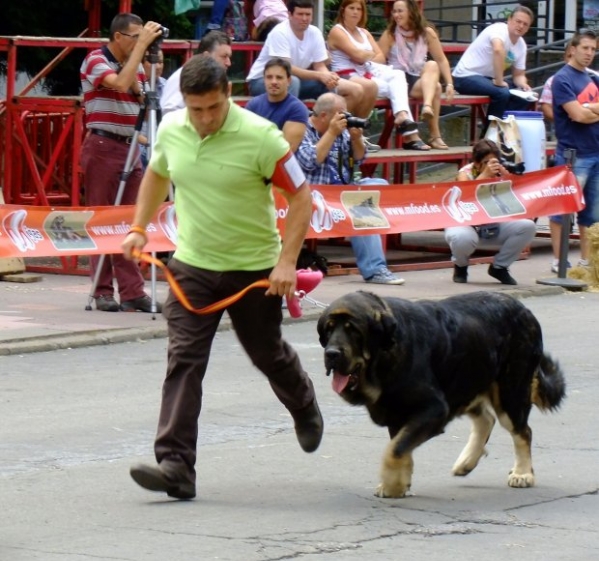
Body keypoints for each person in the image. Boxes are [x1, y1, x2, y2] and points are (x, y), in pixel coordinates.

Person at [123, 56, 323, 500]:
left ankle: (303, 402)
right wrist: (139, 227)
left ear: (227, 97)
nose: (205, 119)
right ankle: (175, 467)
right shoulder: (173, 130)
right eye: (196, 110)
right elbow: (156, 174)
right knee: (184, 359)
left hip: (254, 268)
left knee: (266, 352)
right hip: (193, 266)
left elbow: (302, 197)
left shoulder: (261, 138)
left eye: (213, 108)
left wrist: (287, 261)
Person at [80, 13, 164, 313]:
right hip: (102, 144)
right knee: (101, 219)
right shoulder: (94, 59)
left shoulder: (138, 66)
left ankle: (132, 291)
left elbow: (141, 97)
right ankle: (102, 291)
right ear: (118, 37)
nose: (140, 41)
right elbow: (119, 83)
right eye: (135, 36)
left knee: (132, 221)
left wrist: (147, 63)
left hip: (130, 147)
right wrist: (140, 52)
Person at [295, 92, 405, 285]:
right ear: (323, 116)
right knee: (360, 204)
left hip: (343, 188)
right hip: (314, 194)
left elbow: (360, 158)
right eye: (341, 114)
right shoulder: (302, 128)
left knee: (378, 187)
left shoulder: (342, 130)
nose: (345, 118)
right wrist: (331, 134)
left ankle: (375, 259)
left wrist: (356, 139)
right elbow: (310, 161)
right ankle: (375, 269)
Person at [246, 0, 376, 120]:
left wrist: (328, 77)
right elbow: (286, 69)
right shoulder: (279, 32)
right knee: (292, 82)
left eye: (308, 14)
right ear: (290, 15)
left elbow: (320, 65)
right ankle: (288, 131)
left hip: (296, 79)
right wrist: (320, 75)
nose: (304, 18)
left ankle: (337, 133)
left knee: (355, 90)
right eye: (300, 14)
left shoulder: (314, 32)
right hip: (262, 80)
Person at [327, 0, 428, 150]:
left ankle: (402, 116)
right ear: (343, 10)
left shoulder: (364, 32)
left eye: (359, 9)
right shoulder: (338, 30)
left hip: (366, 72)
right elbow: (358, 55)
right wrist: (366, 55)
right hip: (344, 75)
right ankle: (409, 135)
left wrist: (364, 55)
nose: (355, 12)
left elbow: (380, 57)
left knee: (398, 76)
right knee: (382, 87)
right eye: (351, 8)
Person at [444, 139, 536, 285]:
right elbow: (464, 196)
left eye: (494, 162)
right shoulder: (465, 173)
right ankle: (460, 266)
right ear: (477, 163)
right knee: (460, 237)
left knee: (527, 226)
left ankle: (499, 267)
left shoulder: (500, 173)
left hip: (494, 223)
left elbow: (518, 201)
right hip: (467, 224)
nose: (492, 166)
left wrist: (508, 179)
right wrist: (484, 176)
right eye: (487, 162)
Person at [550, 29, 599, 272]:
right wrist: (589, 111)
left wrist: (588, 107)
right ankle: (559, 262)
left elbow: (583, 111)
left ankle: (586, 263)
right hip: (573, 153)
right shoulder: (563, 79)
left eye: (593, 49)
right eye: (585, 48)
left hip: (596, 152)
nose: (590, 53)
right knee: (563, 210)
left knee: (592, 213)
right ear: (572, 49)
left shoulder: (593, 78)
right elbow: (576, 115)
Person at [378, 0, 455, 149]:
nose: (396, 15)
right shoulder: (390, 35)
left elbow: (441, 60)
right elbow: (378, 60)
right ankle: (435, 135)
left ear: (411, 12)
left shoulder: (427, 33)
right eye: (394, 11)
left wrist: (450, 83)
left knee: (432, 65)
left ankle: (427, 108)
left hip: (418, 78)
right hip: (398, 79)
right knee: (437, 88)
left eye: (400, 11)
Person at [452, 5, 535, 136]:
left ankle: (504, 133)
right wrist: (499, 80)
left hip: (486, 79)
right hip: (465, 76)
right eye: (518, 21)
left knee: (524, 97)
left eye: (525, 24)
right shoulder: (498, 29)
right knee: (502, 92)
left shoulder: (521, 46)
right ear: (509, 20)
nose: (521, 26)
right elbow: (498, 49)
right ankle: (488, 137)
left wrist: (523, 85)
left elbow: (518, 75)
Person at [160, 30, 232, 116]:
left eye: (229, 57)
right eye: (224, 56)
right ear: (207, 56)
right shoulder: (183, 76)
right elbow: (169, 113)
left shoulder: (209, 79)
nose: (229, 63)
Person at [246, 57, 309, 152]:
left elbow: (286, 150)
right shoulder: (253, 105)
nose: (274, 82)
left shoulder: (297, 109)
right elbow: (244, 139)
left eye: (279, 77)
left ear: (289, 81)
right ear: (264, 80)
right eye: (269, 77)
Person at [139, 48, 166, 169]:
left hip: (160, 145)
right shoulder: (134, 86)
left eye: (160, 62)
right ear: (141, 63)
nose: (158, 66)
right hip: (137, 145)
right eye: (152, 61)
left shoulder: (167, 86)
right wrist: (148, 143)